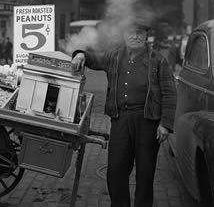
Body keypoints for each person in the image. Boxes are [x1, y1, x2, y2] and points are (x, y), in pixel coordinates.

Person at [71, 21, 177, 207]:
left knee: (145, 173)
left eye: (139, 33)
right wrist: (81, 54)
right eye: (131, 32)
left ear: (146, 36)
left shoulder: (158, 60)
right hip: (120, 120)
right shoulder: (114, 56)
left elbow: (169, 92)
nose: (135, 36)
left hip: (148, 122)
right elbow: (94, 60)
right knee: (116, 170)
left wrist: (166, 124)